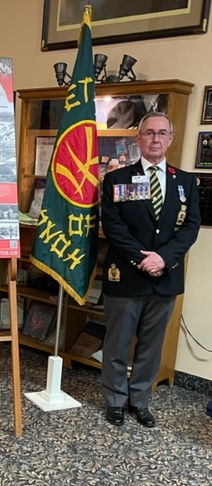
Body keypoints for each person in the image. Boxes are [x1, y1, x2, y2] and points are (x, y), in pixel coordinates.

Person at [100, 112, 200, 427]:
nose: (155, 139)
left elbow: (190, 227)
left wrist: (163, 258)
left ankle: (139, 400)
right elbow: (113, 226)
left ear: (170, 138)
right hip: (127, 274)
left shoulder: (184, 181)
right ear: (138, 139)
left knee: (151, 346)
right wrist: (141, 258)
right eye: (149, 133)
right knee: (117, 342)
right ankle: (115, 400)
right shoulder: (119, 179)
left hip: (165, 278)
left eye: (161, 133)